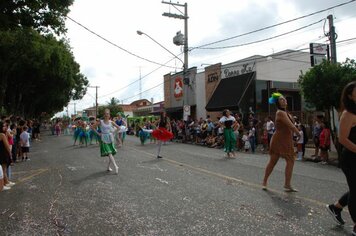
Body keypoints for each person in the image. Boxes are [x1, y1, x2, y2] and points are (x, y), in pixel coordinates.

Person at [326, 81, 356, 234]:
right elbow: (342, 139)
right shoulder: (347, 114)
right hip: (351, 159)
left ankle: (336, 207)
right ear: (350, 96)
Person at [262, 92, 301, 192]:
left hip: (287, 140)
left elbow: (290, 127)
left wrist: (294, 137)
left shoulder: (287, 112)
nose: (284, 100)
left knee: (291, 161)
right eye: (281, 100)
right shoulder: (280, 112)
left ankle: (287, 184)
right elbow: (291, 126)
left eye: (284, 99)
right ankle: (264, 182)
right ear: (278, 103)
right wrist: (298, 133)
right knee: (273, 162)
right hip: (278, 140)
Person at [91, 109, 120, 174]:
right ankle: (116, 166)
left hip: (110, 138)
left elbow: (119, 128)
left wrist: (114, 133)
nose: (107, 115)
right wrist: (98, 133)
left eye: (108, 114)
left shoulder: (111, 122)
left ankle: (108, 167)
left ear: (109, 115)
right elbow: (92, 127)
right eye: (105, 114)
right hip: (103, 138)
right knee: (109, 153)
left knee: (111, 154)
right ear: (104, 115)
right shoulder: (100, 122)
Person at [0, 121, 14, 190]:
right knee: (4, 169)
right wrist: (10, 154)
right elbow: (7, 146)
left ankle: (6, 182)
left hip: (1, 153)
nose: (5, 127)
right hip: (3, 153)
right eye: (3, 126)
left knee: (3, 169)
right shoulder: (2, 135)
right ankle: (4, 184)